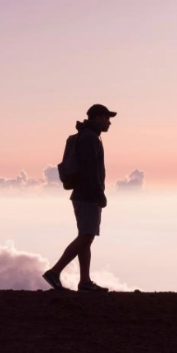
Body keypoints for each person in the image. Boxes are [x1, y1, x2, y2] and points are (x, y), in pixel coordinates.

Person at [43, 104, 116, 292]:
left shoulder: (87, 136)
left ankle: (85, 281)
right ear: (98, 118)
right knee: (86, 235)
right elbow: (91, 169)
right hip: (88, 194)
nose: (109, 122)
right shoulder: (90, 138)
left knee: (86, 236)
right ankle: (54, 272)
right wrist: (99, 194)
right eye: (107, 118)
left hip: (82, 193)